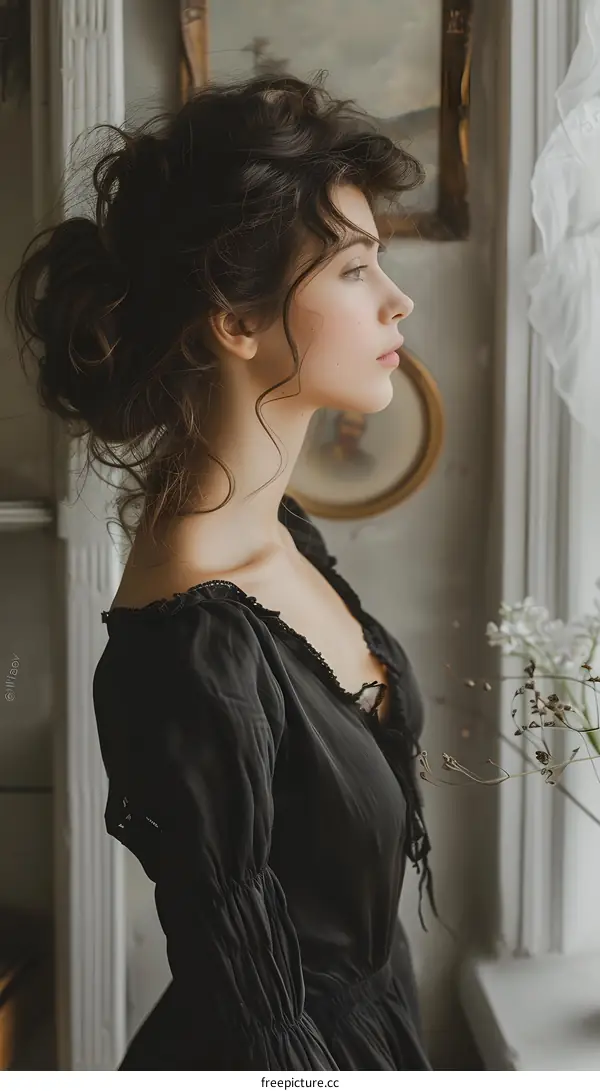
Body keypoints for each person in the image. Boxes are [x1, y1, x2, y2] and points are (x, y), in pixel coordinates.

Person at [10, 73, 439, 1071]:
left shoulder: (277, 528)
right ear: (235, 322)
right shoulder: (190, 646)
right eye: (353, 269)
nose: (396, 297)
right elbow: (261, 1026)